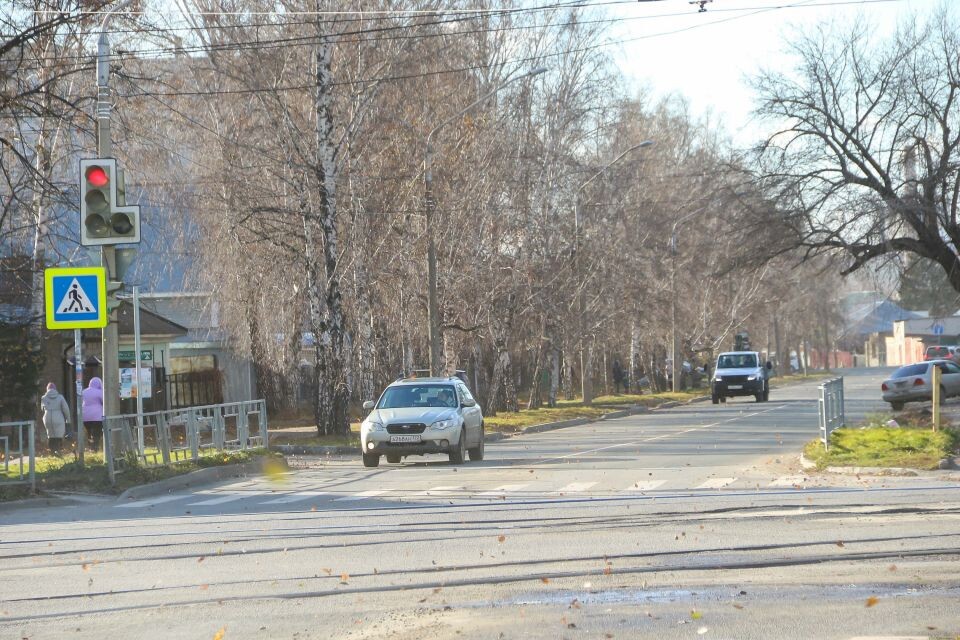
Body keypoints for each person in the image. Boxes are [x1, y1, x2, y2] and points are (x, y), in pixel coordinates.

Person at [40, 382, 71, 455]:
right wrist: (68, 419)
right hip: (58, 416)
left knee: (50, 434)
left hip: (47, 417)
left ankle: (52, 452)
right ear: (55, 389)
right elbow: (65, 409)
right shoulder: (60, 397)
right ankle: (58, 450)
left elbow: (42, 409)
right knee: (59, 434)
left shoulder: (43, 397)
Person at [82, 377, 104, 452]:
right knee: (96, 432)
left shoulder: (84, 392)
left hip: (85, 416)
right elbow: (104, 401)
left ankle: (90, 447)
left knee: (89, 432)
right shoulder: (100, 392)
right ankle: (95, 447)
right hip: (97, 416)